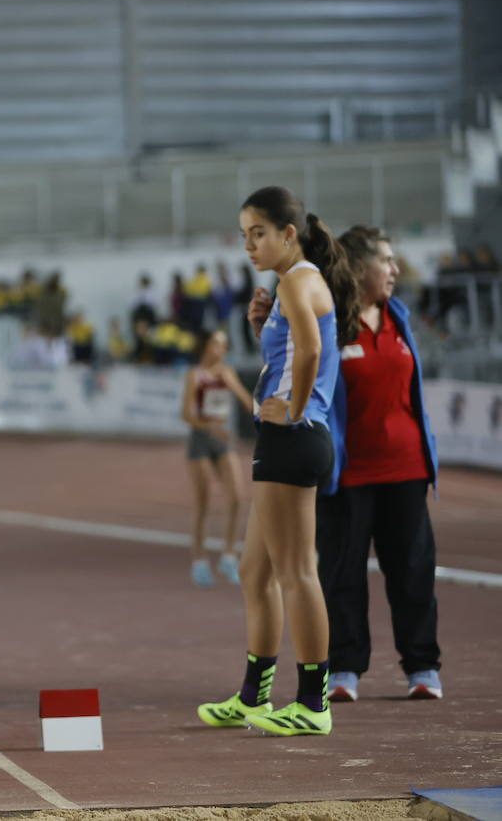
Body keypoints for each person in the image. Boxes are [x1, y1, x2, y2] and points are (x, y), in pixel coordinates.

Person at [198, 186, 358, 737]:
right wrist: (262, 326)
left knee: (296, 572)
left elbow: (312, 351)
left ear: (288, 234)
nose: (248, 244)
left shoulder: (297, 278)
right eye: (243, 235)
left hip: (294, 436)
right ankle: (253, 697)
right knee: (255, 570)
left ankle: (314, 703)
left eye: (258, 233)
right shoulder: (289, 285)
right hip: (285, 437)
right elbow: (294, 350)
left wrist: (291, 407)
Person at [316, 226, 442, 703]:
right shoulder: (329, 322)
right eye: (385, 260)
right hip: (348, 474)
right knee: (342, 573)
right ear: (357, 267)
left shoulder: (400, 317)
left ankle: (423, 666)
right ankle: (345, 668)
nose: (394, 269)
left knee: (413, 569)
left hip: (406, 467)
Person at [180, 330, 252, 588]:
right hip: (201, 438)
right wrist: (208, 426)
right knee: (203, 502)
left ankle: (229, 555)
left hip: (222, 439)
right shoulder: (195, 375)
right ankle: (199, 561)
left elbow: (246, 401)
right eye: (215, 344)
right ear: (205, 346)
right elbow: (185, 414)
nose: (220, 350)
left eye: (223, 346)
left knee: (236, 498)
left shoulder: (227, 373)